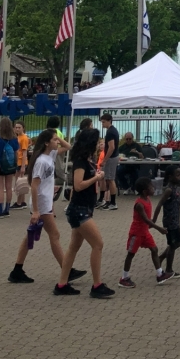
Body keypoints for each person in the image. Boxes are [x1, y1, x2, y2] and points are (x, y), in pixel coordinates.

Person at [8, 129, 88, 285]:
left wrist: (56, 136)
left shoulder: (49, 155)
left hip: (45, 202)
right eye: (53, 140)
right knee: (55, 235)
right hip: (42, 203)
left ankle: (17, 269)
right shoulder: (41, 162)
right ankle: (67, 269)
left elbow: (68, 147)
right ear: (46, 143)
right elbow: (34, 186)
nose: (57, 142)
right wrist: (36, 210)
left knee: (30, 236)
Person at [54, 127, 114, 298]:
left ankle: (62, 283)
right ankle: (97, 285)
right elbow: (78, 185)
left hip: (84, 208)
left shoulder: (88, 161)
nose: (98, 146)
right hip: (79, 210)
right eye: (96, 142)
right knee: (98, 244)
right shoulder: (80, 161)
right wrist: (96, 178)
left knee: (74, 247)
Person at [119, 178, 173, 288]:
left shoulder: (147, 199)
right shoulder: (139, 204)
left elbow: (148, 220)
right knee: (131, 254)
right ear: (144, 191)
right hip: (136, 233)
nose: (154, 189)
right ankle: (124, 278)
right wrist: (158, 228)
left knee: (154, 249)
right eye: (151, 187)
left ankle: (159, 274)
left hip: (145, 232)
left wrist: (152, 222)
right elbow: (145, 220)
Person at [153, 165, 180, 276]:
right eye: (178, 175)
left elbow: (177, 200)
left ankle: (161, 257)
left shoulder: (177, 187)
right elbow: (159, 204)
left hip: (176, 220)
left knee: (178, 243)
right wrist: (154, 220)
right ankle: (169, 269)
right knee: (172, 245)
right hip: (170, 221)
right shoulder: (169, 189)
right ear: (170, 177)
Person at [0, 117, 19, 218]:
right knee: (9, 187)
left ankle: (0, 210)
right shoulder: (14, 139)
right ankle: (7, 209)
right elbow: (16, 153)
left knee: (0, 188)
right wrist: (15, 164)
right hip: (10, 166)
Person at [97, 113, 120, 210]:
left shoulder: (110, 132)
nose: (102, 124)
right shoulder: (112, 130)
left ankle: (113, 202)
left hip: (111, 157)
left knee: (110, 179)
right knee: (106, 178)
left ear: (109, 121)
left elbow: (111, 147)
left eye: (103, 122)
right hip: (113, 157)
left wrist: (105, 160)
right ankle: (104, 199)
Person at [11, 122, 30, 209]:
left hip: (21, 161)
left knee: (19, 182)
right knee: (20, 182)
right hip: (17, 161)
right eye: (16, 127)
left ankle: (19, 202)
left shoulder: (24, 138)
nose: (17, 129)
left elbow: (25, 152)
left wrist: (23, 166)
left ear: (23, 128)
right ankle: (22, 201)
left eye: (19, 127)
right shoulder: (17, 137)